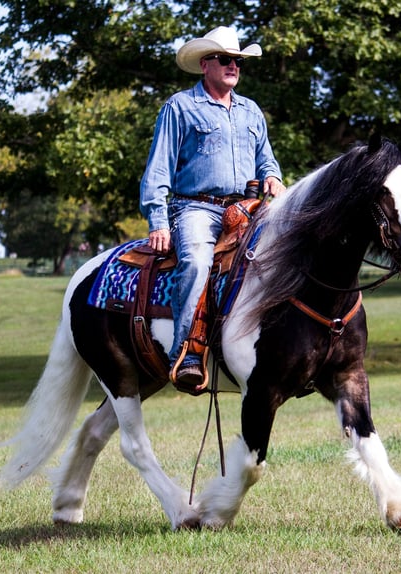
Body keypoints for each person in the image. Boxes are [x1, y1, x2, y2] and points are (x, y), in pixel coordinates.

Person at [139, 26, 286, 389]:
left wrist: (273, 178)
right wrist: (158, 222)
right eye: (225, 59)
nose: (233, 66)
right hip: (196, 208)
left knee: (285, 252)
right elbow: (158, 167)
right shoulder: (180, 107)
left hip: (248, 207)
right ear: (206, 64)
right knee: (197, 262)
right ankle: (186, 351)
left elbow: (266, 160)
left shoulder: (251, 111)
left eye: (237, 60)